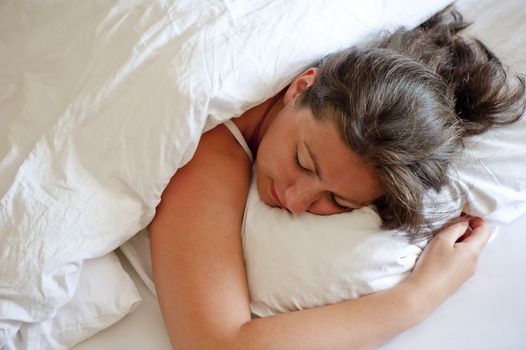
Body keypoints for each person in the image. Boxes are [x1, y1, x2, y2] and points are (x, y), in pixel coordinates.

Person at [149, 8, 525, 350]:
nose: (295, 202)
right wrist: (419, 297)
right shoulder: (210, 149)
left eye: (340, 202)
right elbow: (214, 344)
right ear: (300, 88)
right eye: (303, 161)